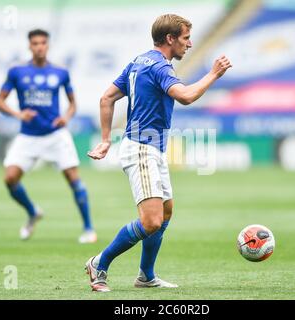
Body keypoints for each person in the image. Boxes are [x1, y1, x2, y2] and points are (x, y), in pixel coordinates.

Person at [86, 14, 232, 292]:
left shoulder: (138, 61)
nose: (189, 44)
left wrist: (106, 139)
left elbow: (107, 98)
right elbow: (186, 96)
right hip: (142, 149)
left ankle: (146, 276)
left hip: (152, 148)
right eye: (186, 38)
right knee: (151, 221)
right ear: (170, 39)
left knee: (165, 212)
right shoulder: (161, 68)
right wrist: (214, 74)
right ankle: (99, 263)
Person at [0, 29, 96, 244]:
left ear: (48, 45)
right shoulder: (17, 72)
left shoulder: (60, 72)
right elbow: (0, 102)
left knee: (74, 180)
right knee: (10, 178)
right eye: (35, 43)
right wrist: (18, 114)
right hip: (28, 136)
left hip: (55, 135)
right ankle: (33, 212)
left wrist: (66, 117)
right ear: (29, 46)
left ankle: (88, 228)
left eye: (43, 43)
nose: (39, 46)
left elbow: (73, 104)